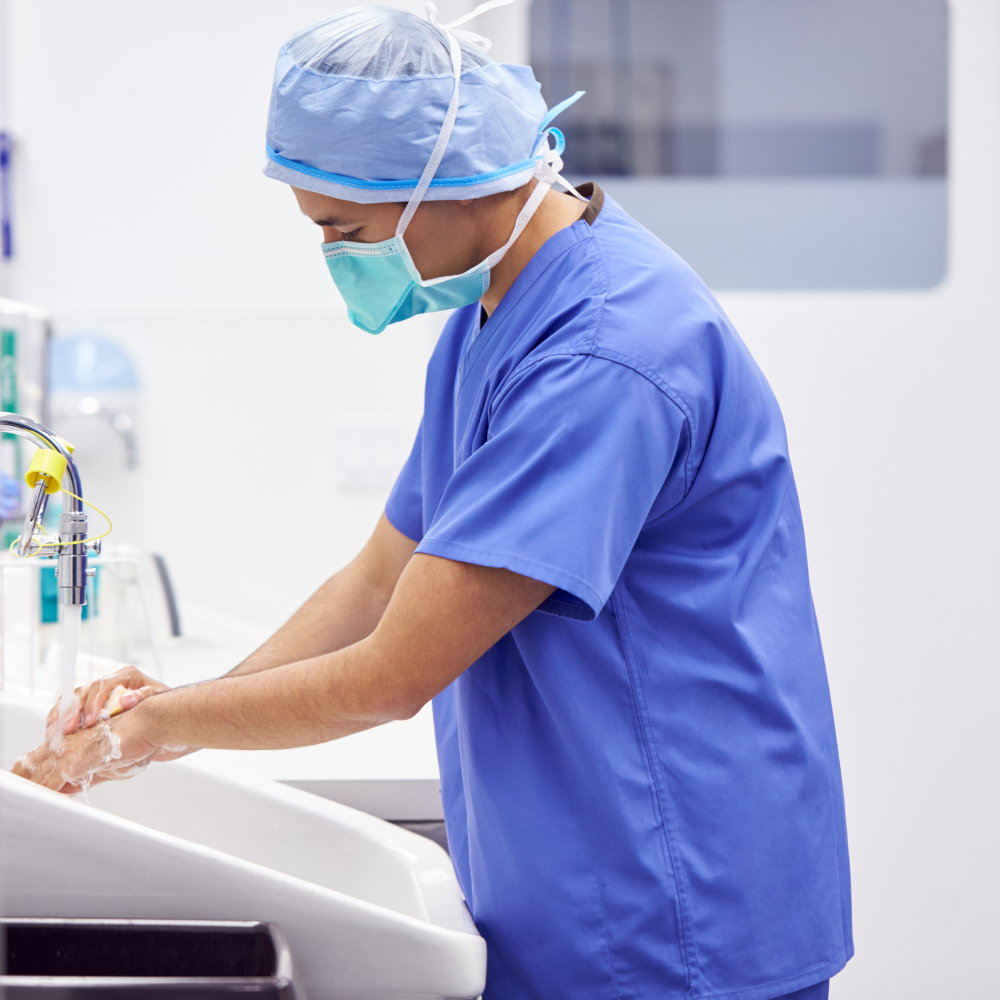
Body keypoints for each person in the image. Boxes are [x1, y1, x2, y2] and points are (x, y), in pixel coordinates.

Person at [13, 6, 852, 999]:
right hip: (577, 883)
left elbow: (391, 671)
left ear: (450, 188)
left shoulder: (604, 357)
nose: (333, 258)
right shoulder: (493, 308)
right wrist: (177, 711)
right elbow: (376, 581)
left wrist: (149, 732)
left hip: (674, 899)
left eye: (346, 229)